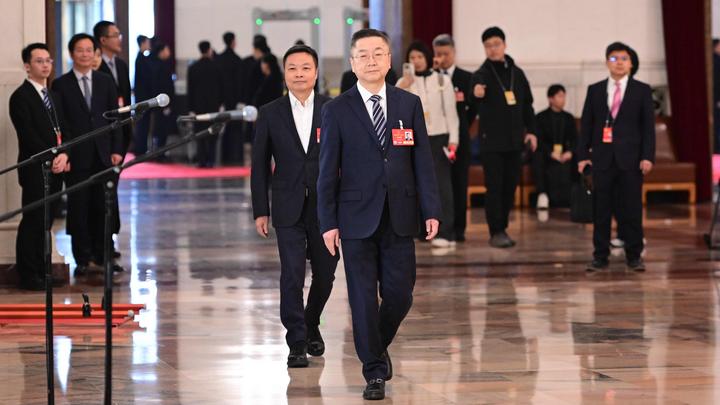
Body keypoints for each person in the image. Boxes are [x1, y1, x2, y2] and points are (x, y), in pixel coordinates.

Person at [317, 29, 441, 401]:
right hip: (355, 217)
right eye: (363, 55)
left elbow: (423, 161)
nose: (371, 61)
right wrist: (328, 222)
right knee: (362, 298)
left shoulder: (408, 104)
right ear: (353, 63)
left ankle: (376, 344)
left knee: (401, 294)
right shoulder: (336, 109)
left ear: (389, 60)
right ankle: (373, 371)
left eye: (378, 53)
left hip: (400, 214)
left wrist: (431, 208)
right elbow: (327, 171)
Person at [251, 44, 338, 368]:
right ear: (284, 73)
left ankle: (311, 321)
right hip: (287, 205)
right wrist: (261, 209)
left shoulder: (333, 109)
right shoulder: (270, 112)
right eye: (292, 68)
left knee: (326, 273)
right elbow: (259, 165)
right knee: (292, 274)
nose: (299, 74)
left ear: (316, 72)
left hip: (326, 208)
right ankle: (297, 341)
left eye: (305, 68)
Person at [577, 42, 655, 272]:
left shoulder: (642, 90)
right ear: (606, 62)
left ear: (631, 64)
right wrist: (583, 155)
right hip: (602, 159)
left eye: (623, 58)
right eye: (613, 58)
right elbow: (586, 126)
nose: (619, 62)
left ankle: (634, 256)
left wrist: (647, 156)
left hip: (631, 160)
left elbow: (648, 129)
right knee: (601, 210)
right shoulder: (595, 90)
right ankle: (600, 256)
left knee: (632, 209)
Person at [52, 33, 124, 276]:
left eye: (88, 50)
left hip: (104, 155)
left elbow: (115, 118)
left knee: (103, 208)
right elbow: (60, 123)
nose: (84, 54)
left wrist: (117, 149)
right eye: (79, 50)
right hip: (77, 157)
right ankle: (82, 259)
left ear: (95, 53)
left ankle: (103, 256)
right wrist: (65, 153)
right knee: (79, 209)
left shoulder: (105, 81)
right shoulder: (61, 84)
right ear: (71, 54)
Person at [470, 26, 537, 248]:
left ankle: (503, 227)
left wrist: (532, 131)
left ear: (505, 45)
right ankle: (496, 230)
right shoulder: (482, 73)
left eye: (496, 44)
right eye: (488, 46)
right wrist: (476, 91)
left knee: (509, 187)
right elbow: (474, 91)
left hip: (514, 141)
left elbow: (527, 105)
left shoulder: (517, 74)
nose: (493, 49)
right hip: (491, 143)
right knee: (495, 188)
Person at [9, 43, 69, 290]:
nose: (45, 65)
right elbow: (28, 135)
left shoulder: (54, 95)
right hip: (35, 168)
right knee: (33, 220)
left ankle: (43, 271)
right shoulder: (20, 97)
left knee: (47, 222)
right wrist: (53, 155)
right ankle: (28, 273)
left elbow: (64, 130)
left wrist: (64, 154)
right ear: (27, 66)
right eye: (39, 61)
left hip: (57, 166)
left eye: (48, 61)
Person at [396, 40, 459, 247]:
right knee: (413, 185)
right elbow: (393, 109)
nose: (416, 61)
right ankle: (420, 230)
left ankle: (445, 232)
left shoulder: (442, 80)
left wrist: (454, 140)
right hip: (411, 138)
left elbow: (451, 112)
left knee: (441, 186)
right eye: (412, 57)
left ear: (427, 58)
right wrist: (402, 86)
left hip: (439, 137)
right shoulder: (403, 82)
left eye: (420, 57)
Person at [432, 33, 476, 242]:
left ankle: (459, 229)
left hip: (460, 139)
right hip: (437, 138)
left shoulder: (466, 78)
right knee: (439, 185)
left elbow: (473, 108)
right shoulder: (431, 77)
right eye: (438, 53)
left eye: (446, 53)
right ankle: (439, 227)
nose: (442, 58)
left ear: (454, 53)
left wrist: (462, 125)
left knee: (459, 183)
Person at [531, 84, 577, 209]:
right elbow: (539, 140)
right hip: (547, 153)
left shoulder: (568, 118)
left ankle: (574, 196)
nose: (563, 100)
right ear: (551, 99)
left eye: (564, 96)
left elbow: (575, 139)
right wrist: (550, 153)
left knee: (579, 156)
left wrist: (570, 152)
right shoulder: (540, 117)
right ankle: (542, 194)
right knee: (537, 155)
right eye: (560, 96)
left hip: (564, 153)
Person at [187, 40, 223, 167]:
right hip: (213, 106)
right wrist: (221, 103)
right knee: (213, 133)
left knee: (200, 134)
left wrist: (190, 108)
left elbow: (190, 90)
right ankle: (211, 160)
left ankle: (201, 160)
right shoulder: (217, 67)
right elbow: (222, 87)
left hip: (199, 107)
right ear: (209, 50)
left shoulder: (193, 68)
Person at [216, 31, 245, 164]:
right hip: (235, 100)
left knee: (223, 128)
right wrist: (240, 100)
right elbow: (240, 83)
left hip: (222, 100)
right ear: (233, 42)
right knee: (236, 130)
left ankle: (223, 157)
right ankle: (235, 157)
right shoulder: (237, 60)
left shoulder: (219, 59)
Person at [148, 40, 175, 157]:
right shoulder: (161, 66)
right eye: (167, 49)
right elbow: (163, 87)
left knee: (161, 129)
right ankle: (160, 153)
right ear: (161, 52)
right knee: (161, 129)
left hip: (161, 103)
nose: (169, 52)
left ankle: (160, 152)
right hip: (162, 103)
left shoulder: (159, 65)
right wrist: (166, 104)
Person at [133, 34, 153, 156]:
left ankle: (142, 148)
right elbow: (144, 81)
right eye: (147, 42)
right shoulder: (141, 59)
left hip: (143, 97)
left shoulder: (142, 58)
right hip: (143, 98)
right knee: (142, 124)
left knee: (144, 124)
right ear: (142, 43)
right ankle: (140, 149)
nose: (149, 44)